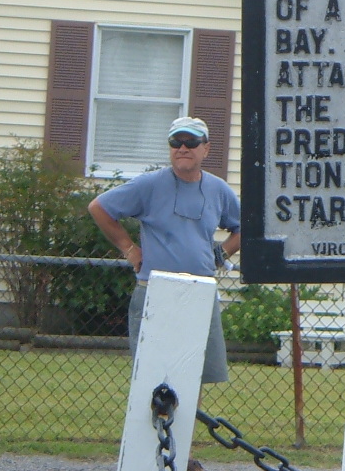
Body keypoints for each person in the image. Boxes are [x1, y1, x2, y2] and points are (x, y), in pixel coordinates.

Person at [88, 115, 241, 389]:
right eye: (176, 142)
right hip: (154, 291)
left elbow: (245, 228)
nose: (183, 148)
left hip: (200, 292)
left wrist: (222, 254)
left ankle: (186, 433)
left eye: (191, 142)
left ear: (206, 148)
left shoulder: (218, 189)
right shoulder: (148, 185)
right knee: (152, 376)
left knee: (194, 379)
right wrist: (129, 249)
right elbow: (99, 208)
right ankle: (154, 432)